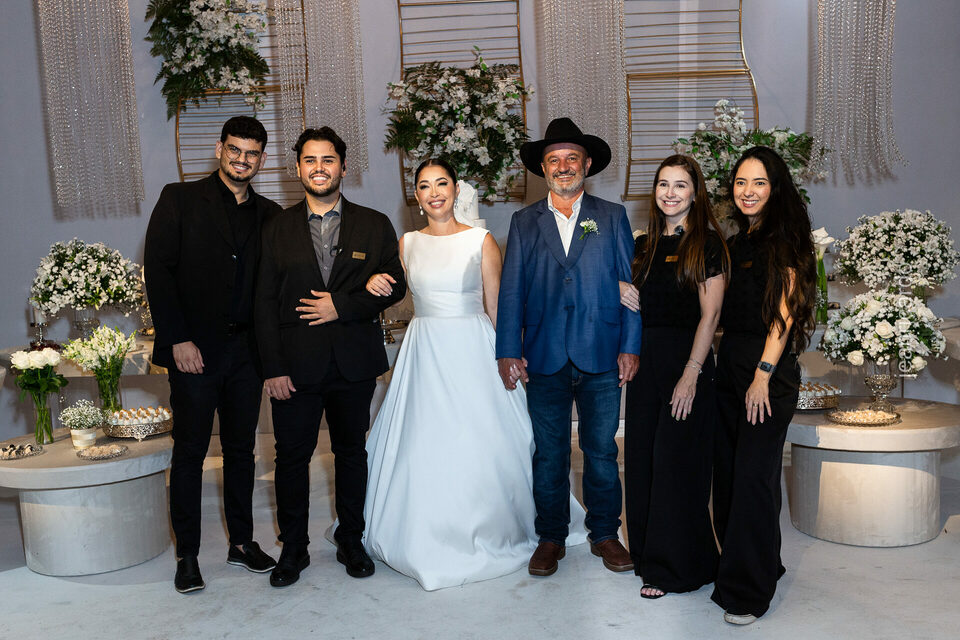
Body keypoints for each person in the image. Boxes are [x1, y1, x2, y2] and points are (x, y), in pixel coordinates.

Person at [360, 158, 585, 590]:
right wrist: (373, 281)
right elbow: (390, 289)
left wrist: (512, 355)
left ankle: (518, 524)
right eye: (424, 186)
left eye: (441, 183)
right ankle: (424, 531)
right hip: (424, 350)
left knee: (486, 435)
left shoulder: (481, 240)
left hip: (473, 346)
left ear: (455, 189)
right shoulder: (406, 243)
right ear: (416, 196)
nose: (434, 193)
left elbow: (497, 305)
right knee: (423, 439)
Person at [254, 127, 406, 588]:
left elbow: (396, 285)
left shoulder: (374, 223)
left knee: (351, 454)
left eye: (328, 159)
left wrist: (343, 304)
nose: (319, 168)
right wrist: (272, 368)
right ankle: (293, 548)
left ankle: (351, 540)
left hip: (353, 363)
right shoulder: (275, 227)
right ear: (297, 168)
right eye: (310, 160)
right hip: (293, 367)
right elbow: (262, 302)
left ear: (342, 166)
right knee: (290, 458)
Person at [496, 118, 642, 577]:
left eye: (571, 158)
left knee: (602, 451)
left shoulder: (612, 216)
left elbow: (630, 287)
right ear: (543, 168)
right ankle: (551, 537)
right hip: (543, 356)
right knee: (549, 454)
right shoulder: (524, 222)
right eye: (554, 160)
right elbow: (512, 291)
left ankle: (605, 533)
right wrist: (507, 350)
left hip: (601, 352)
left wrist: (630, 345)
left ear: (587, 164)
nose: (563, 166)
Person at [144, 116, 283, 594]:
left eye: (252, 153)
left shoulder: (271, 214)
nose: (242, 160)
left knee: (242, 450)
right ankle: (187, 555)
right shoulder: (179, 199)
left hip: (247, 354)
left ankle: (241, 543)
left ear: (262, 159)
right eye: (235, 150)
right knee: (190, 451)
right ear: (219, 149)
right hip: (195, 351)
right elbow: (158, 271)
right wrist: (177, 338)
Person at [711, 146, 817, 624]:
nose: (748, 191)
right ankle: (759, 565)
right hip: (731, 365)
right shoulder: (739, 241)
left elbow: (784, 313)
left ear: (775, 188)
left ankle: (748, 594)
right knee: (731, 477)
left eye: (758, 182)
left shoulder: (785, 239)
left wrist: (762, 375)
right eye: (741, 182)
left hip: (765, 373)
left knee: (753, 479)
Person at [619, 155, 729, 599]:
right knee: (642, 461)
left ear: (695, 193)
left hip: (688, 364)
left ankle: (676, 569)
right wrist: (619, 286)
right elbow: (633, 302)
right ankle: (648, 558)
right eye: (663, 184)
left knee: (676, 465)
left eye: (680, 185)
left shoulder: (707, 244)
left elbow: (710, 317)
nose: (670, 193)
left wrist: (691, 375)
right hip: (647, 366)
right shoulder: (643, 246)